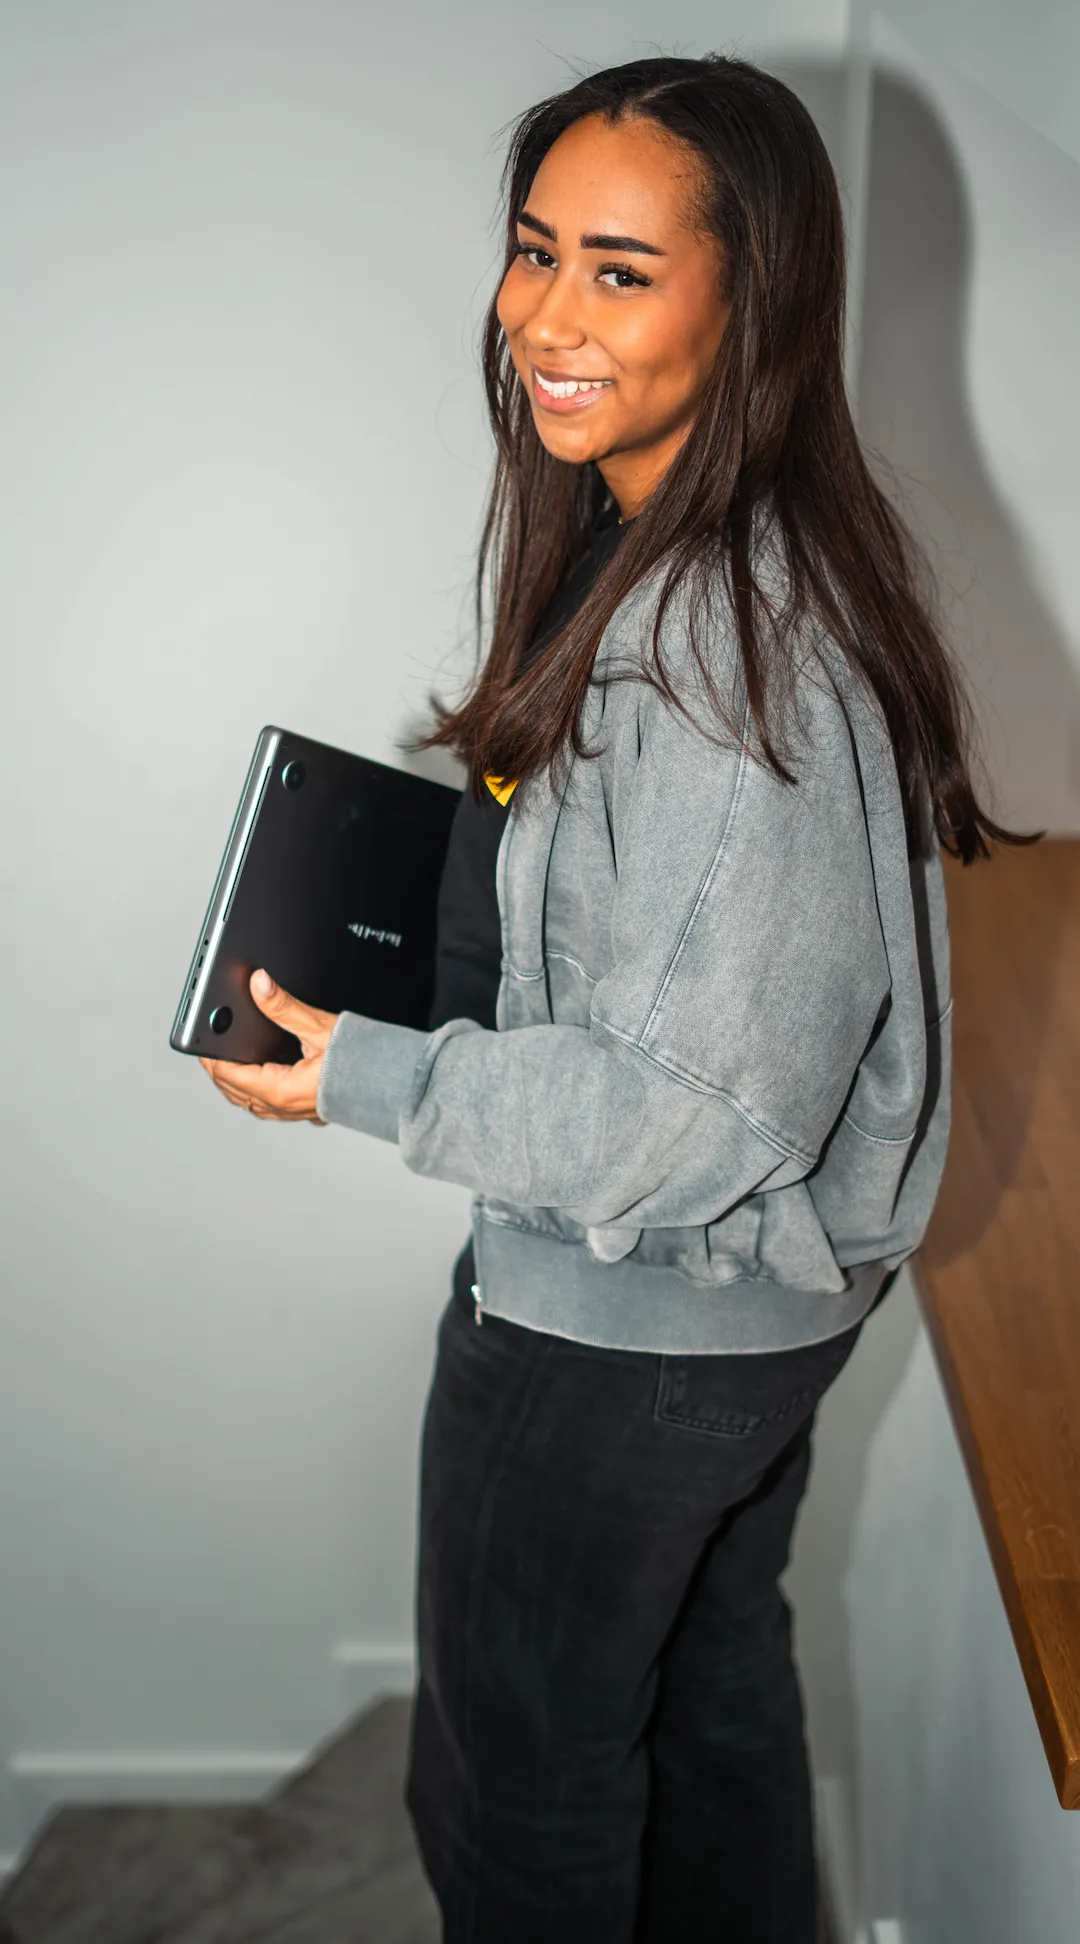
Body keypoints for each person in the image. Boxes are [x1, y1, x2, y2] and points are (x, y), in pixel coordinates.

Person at [201, 52, 1024, 1944]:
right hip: (724, 1333)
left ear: (756, 302)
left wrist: (363, 1077)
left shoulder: (730, 652)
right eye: (533, 250)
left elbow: (700, 1113)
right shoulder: (659, 557)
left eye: (623, 271)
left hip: (624, 1337)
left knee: (513, 1780)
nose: (548, 318)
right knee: (710, 1710)